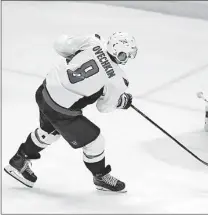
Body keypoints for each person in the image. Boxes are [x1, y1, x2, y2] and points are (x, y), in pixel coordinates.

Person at [4, 32, 138, 192]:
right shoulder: (118, 80)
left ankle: (19, 161)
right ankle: (100, 176)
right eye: (126, 55)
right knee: (96, 141)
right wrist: (120, 101)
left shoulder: (92, 42)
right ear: (119, 53)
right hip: (61, 111)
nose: (127, 58)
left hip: (45, 92)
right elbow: (104, 107)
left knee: (50, 132)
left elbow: (60, 45)